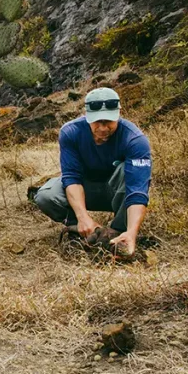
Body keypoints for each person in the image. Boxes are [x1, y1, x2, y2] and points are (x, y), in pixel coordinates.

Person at [33, 87, 152, 255]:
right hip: (86, 188)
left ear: (119, 114)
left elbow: (137, 191)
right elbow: (71, 177)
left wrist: (132, 231)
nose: (103, 128)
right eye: (97, 122)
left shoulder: (135, 140)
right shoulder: (71, 133)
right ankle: (83, 229)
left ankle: (117, 233)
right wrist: (83, 218)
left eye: (108, 122)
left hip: (118, 193)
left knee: (127, 172)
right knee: (46, 195)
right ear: (87, 116)